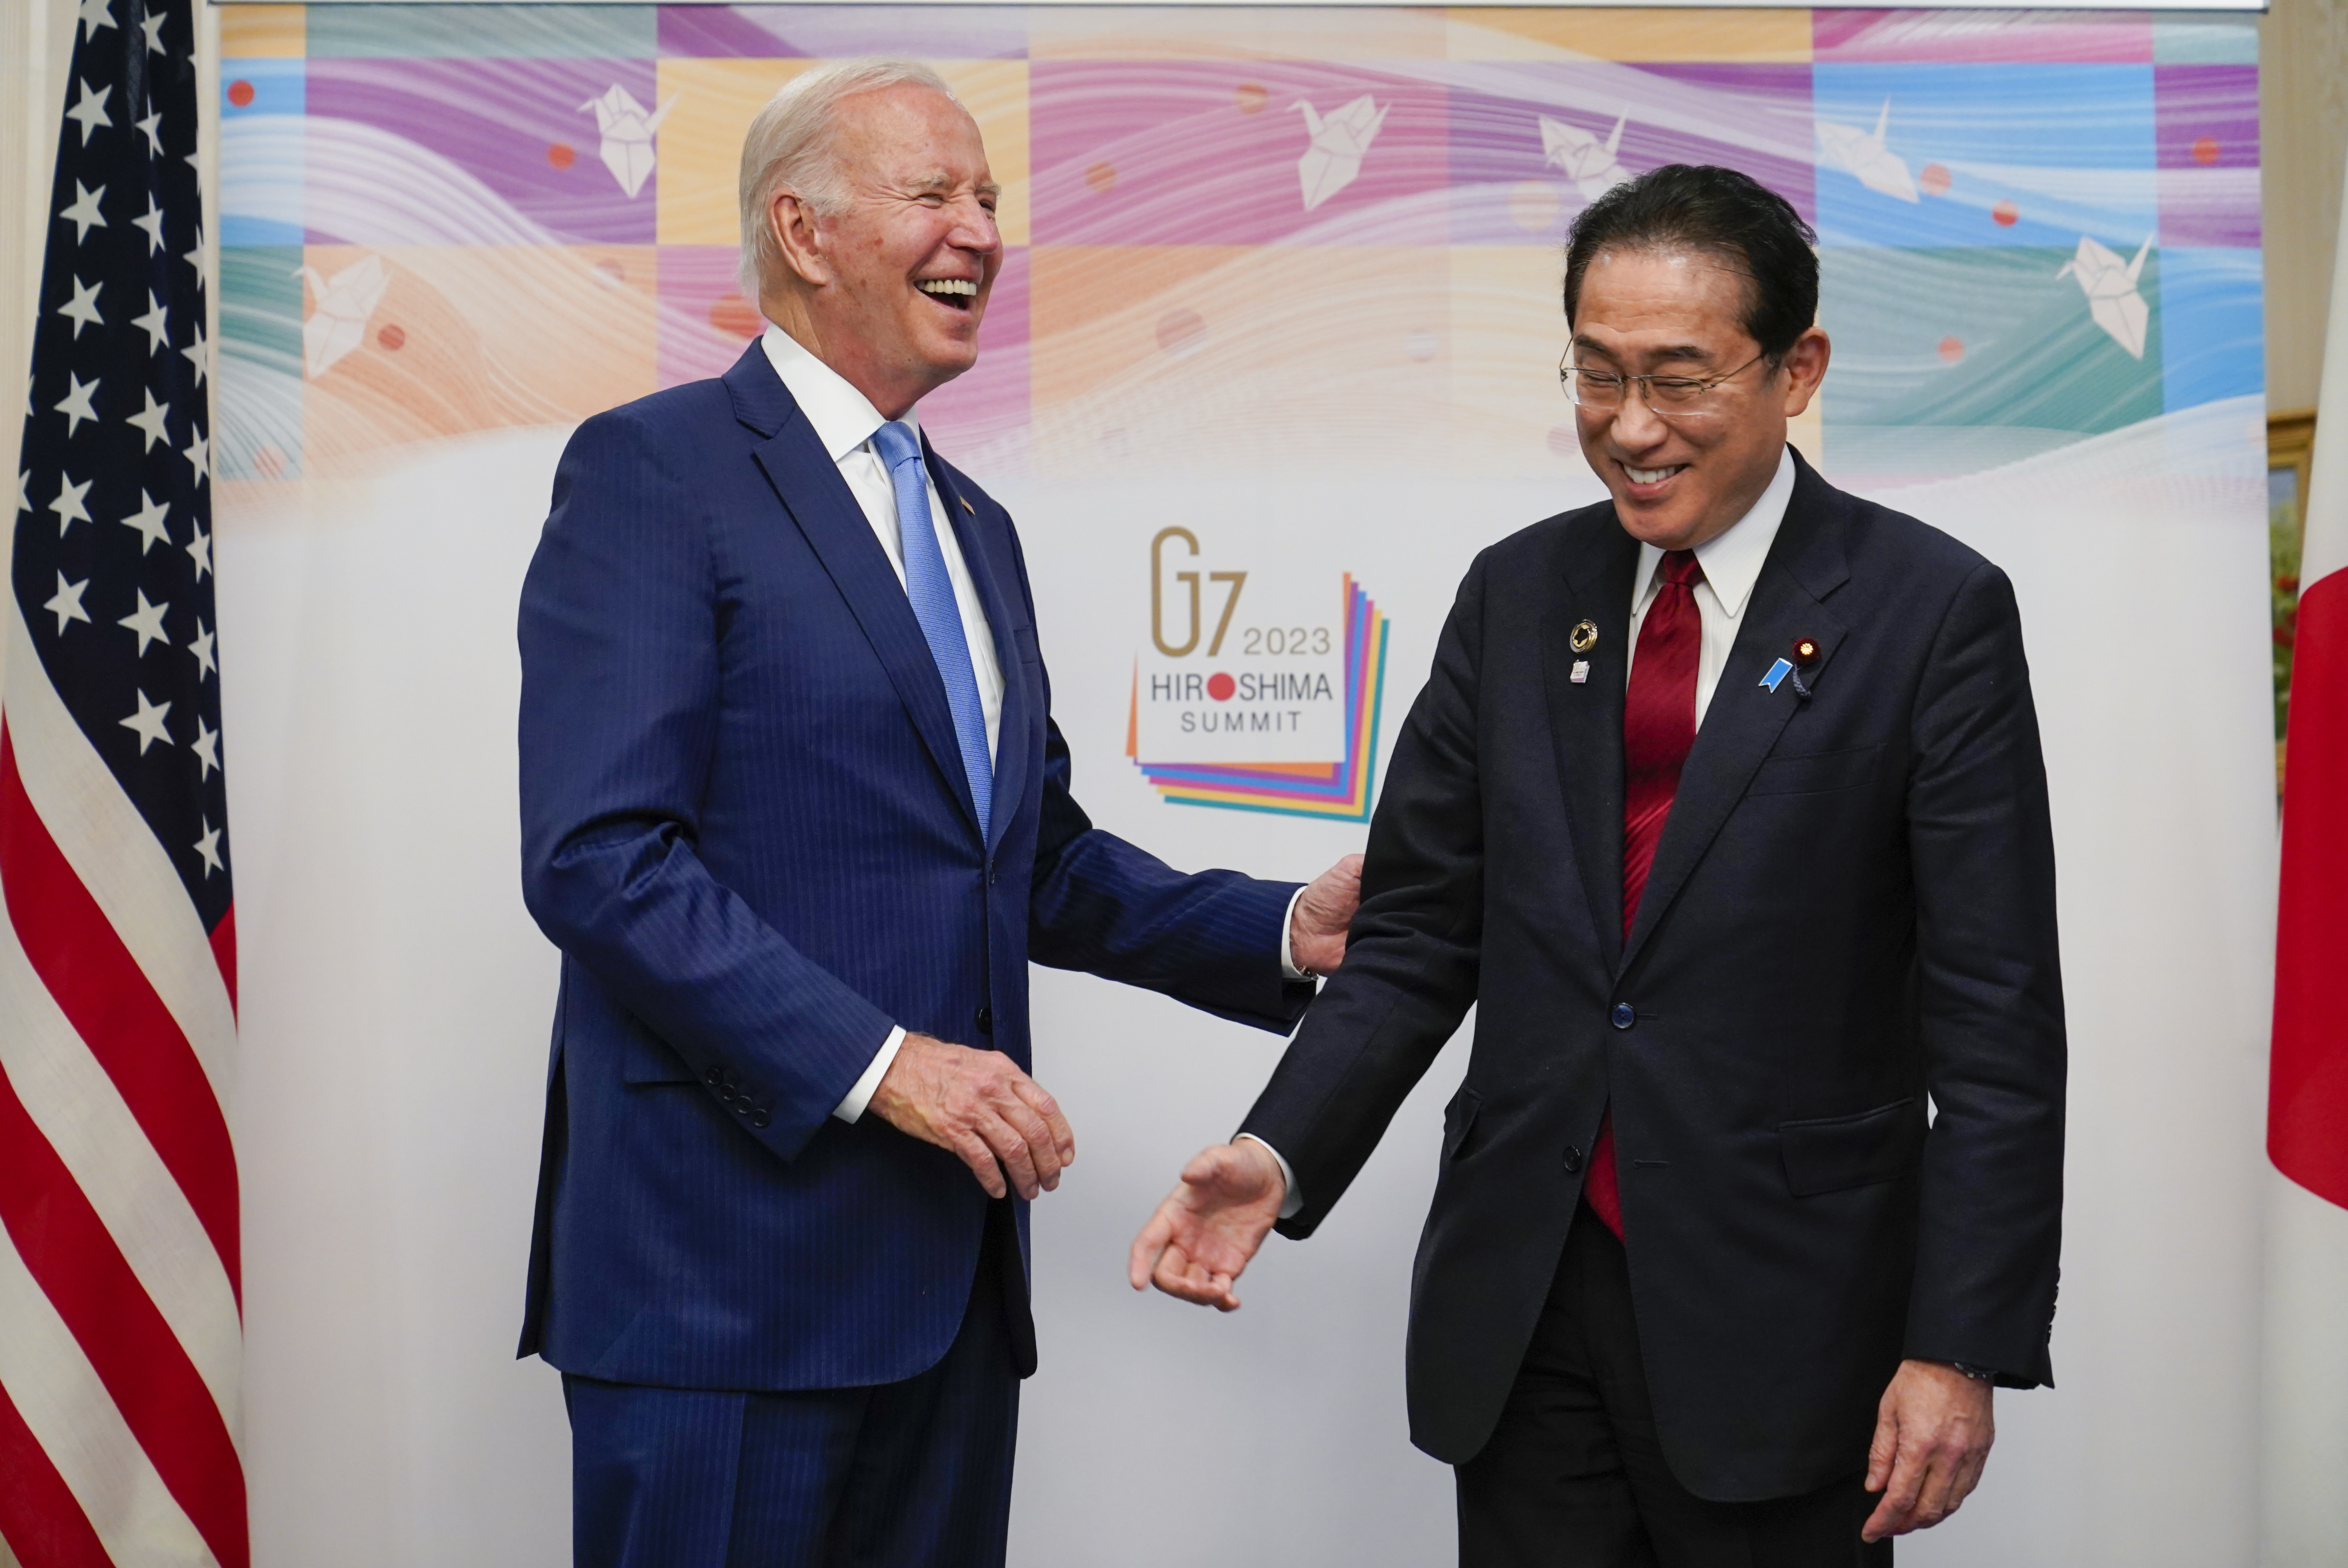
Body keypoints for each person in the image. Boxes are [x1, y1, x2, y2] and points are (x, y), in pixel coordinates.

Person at [1130, 164, 2065, 1566]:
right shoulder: (1518, 594)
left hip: (1790, 1318)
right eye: (1598, 374)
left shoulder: (1932, 613)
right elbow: (1419, 932)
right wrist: (1280, 1149)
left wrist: (1961, 1341)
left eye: (1680, 379)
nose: (1630, 426)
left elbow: (1997, 1024)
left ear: (1797, 368)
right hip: (1527, 1299)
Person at [516, 58, 1361, 1568]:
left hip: (952, 1293)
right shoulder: (653, 469)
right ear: (802, 229)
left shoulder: (977, 525)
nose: (980, 230)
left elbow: (1030, 859)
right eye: (933, 194)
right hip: (721, 1292)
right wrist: (883, 1063)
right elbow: (600, 858)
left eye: (990, 198)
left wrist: (1286, 929)